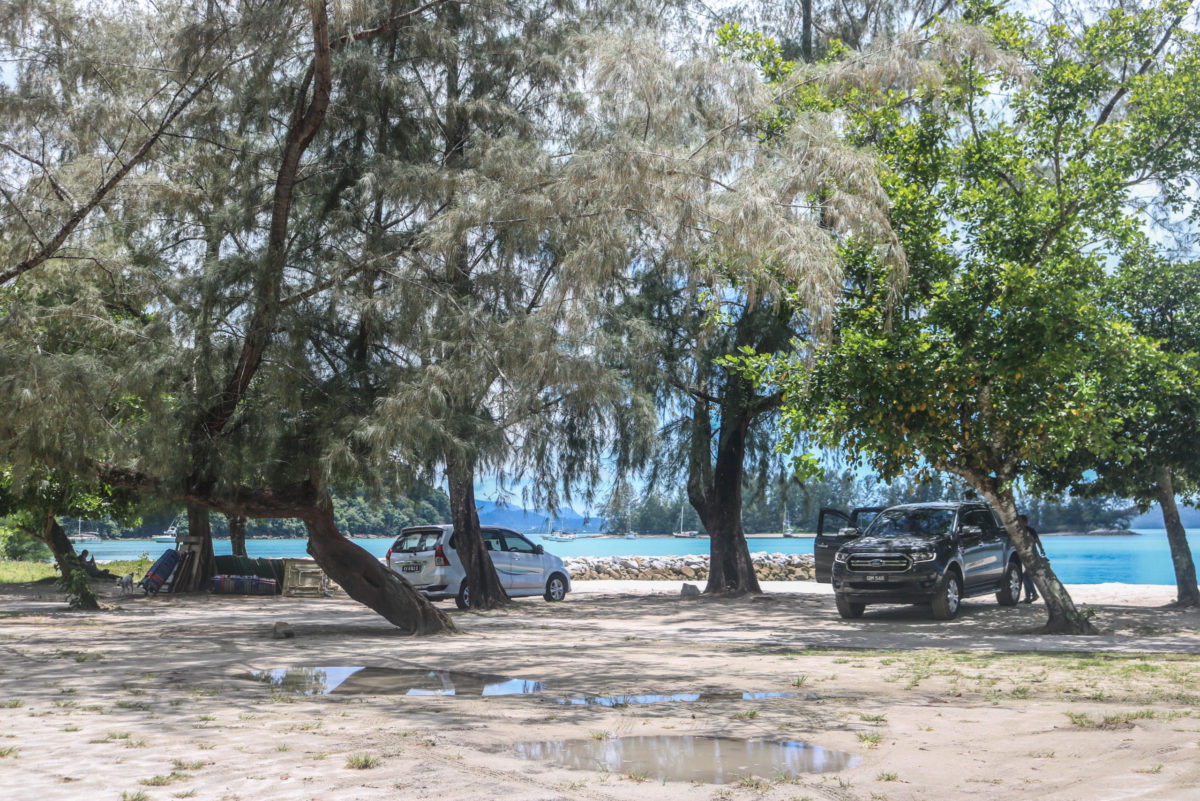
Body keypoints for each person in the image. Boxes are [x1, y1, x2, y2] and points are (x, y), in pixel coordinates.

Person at [1017, 514, 1044, 603]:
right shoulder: (1019, 531)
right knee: (1025, 576)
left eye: (1021, 521)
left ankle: (1034, 594)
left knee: (1026, 576)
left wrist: (1041, 550)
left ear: (1025, 522)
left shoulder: (1030, 530)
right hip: (1023, 556)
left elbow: (1037, 541)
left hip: (1032, 556)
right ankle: (1028, 597)